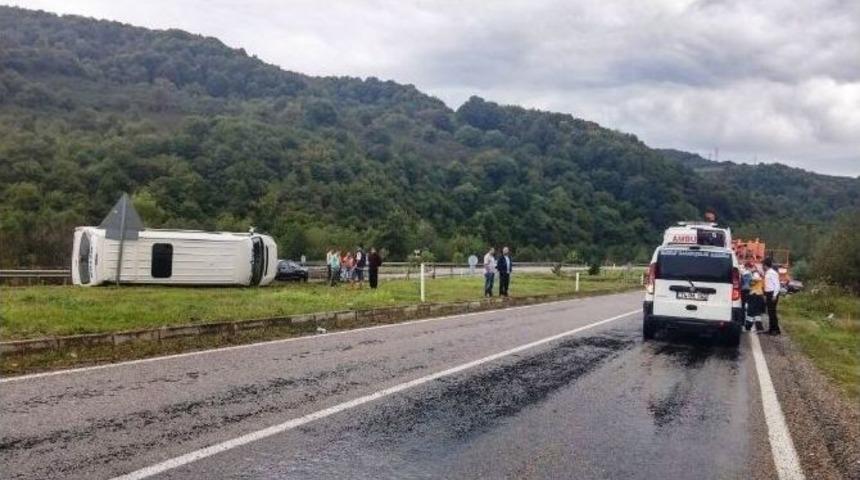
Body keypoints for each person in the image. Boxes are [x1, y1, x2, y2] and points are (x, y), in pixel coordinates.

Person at [763, 258, 781, 335]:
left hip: (772, 294)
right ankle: (771, 329)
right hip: (769, 294)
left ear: (765, 265)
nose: (762, 266)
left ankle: (776, 330)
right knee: (770, 312)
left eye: (763, 264)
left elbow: (777, 285)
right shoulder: (767, 273)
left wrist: (774, 295)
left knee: (772, 312)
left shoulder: (772, 273)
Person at [746, 266, 766, 332]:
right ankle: (759, 327)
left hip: (754, 295)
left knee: (751, 311)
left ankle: (748, 326)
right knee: (757, 312)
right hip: (759, 295)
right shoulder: (760, 276)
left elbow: (753, 281)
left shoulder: (754, 275)